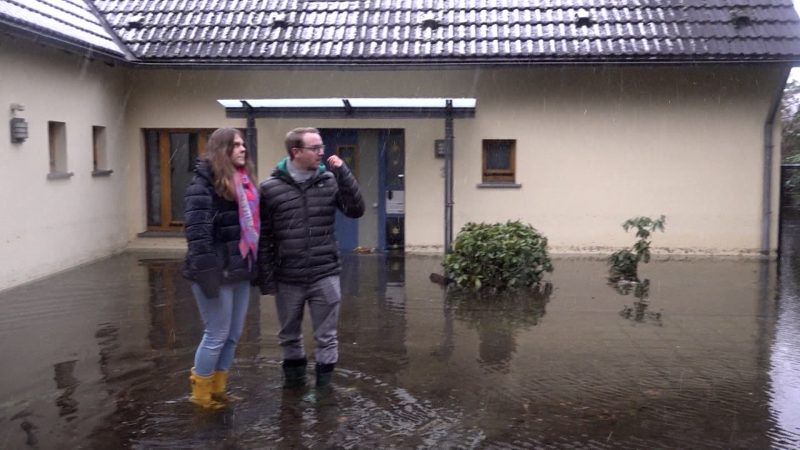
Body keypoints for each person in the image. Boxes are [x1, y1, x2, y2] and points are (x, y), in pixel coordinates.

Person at [257, 127, 364, 388]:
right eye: (315, 148)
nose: (321, 152)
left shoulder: (329, 180)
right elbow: (264, 238)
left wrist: (344, 173)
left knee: (327, 338)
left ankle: (323, 394)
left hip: (324, 274)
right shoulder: (269, 189)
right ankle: (294, 391)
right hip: (288, 278)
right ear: (296, 152)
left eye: (321, 147)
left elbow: (356, 209)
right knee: (289, 338)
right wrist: (267, 278)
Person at [182, 127, 259, 408]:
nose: (242, 149)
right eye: (235, 145)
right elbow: (198, 236)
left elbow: (249, 230)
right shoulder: (202, 186)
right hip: (215, 273)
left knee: (232, 335)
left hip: (239, 269)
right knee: (216, 334)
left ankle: (218, 388)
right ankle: (200, 394)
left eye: (243, 144)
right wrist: (208, 276)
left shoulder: (244, 184)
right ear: (221, 150)